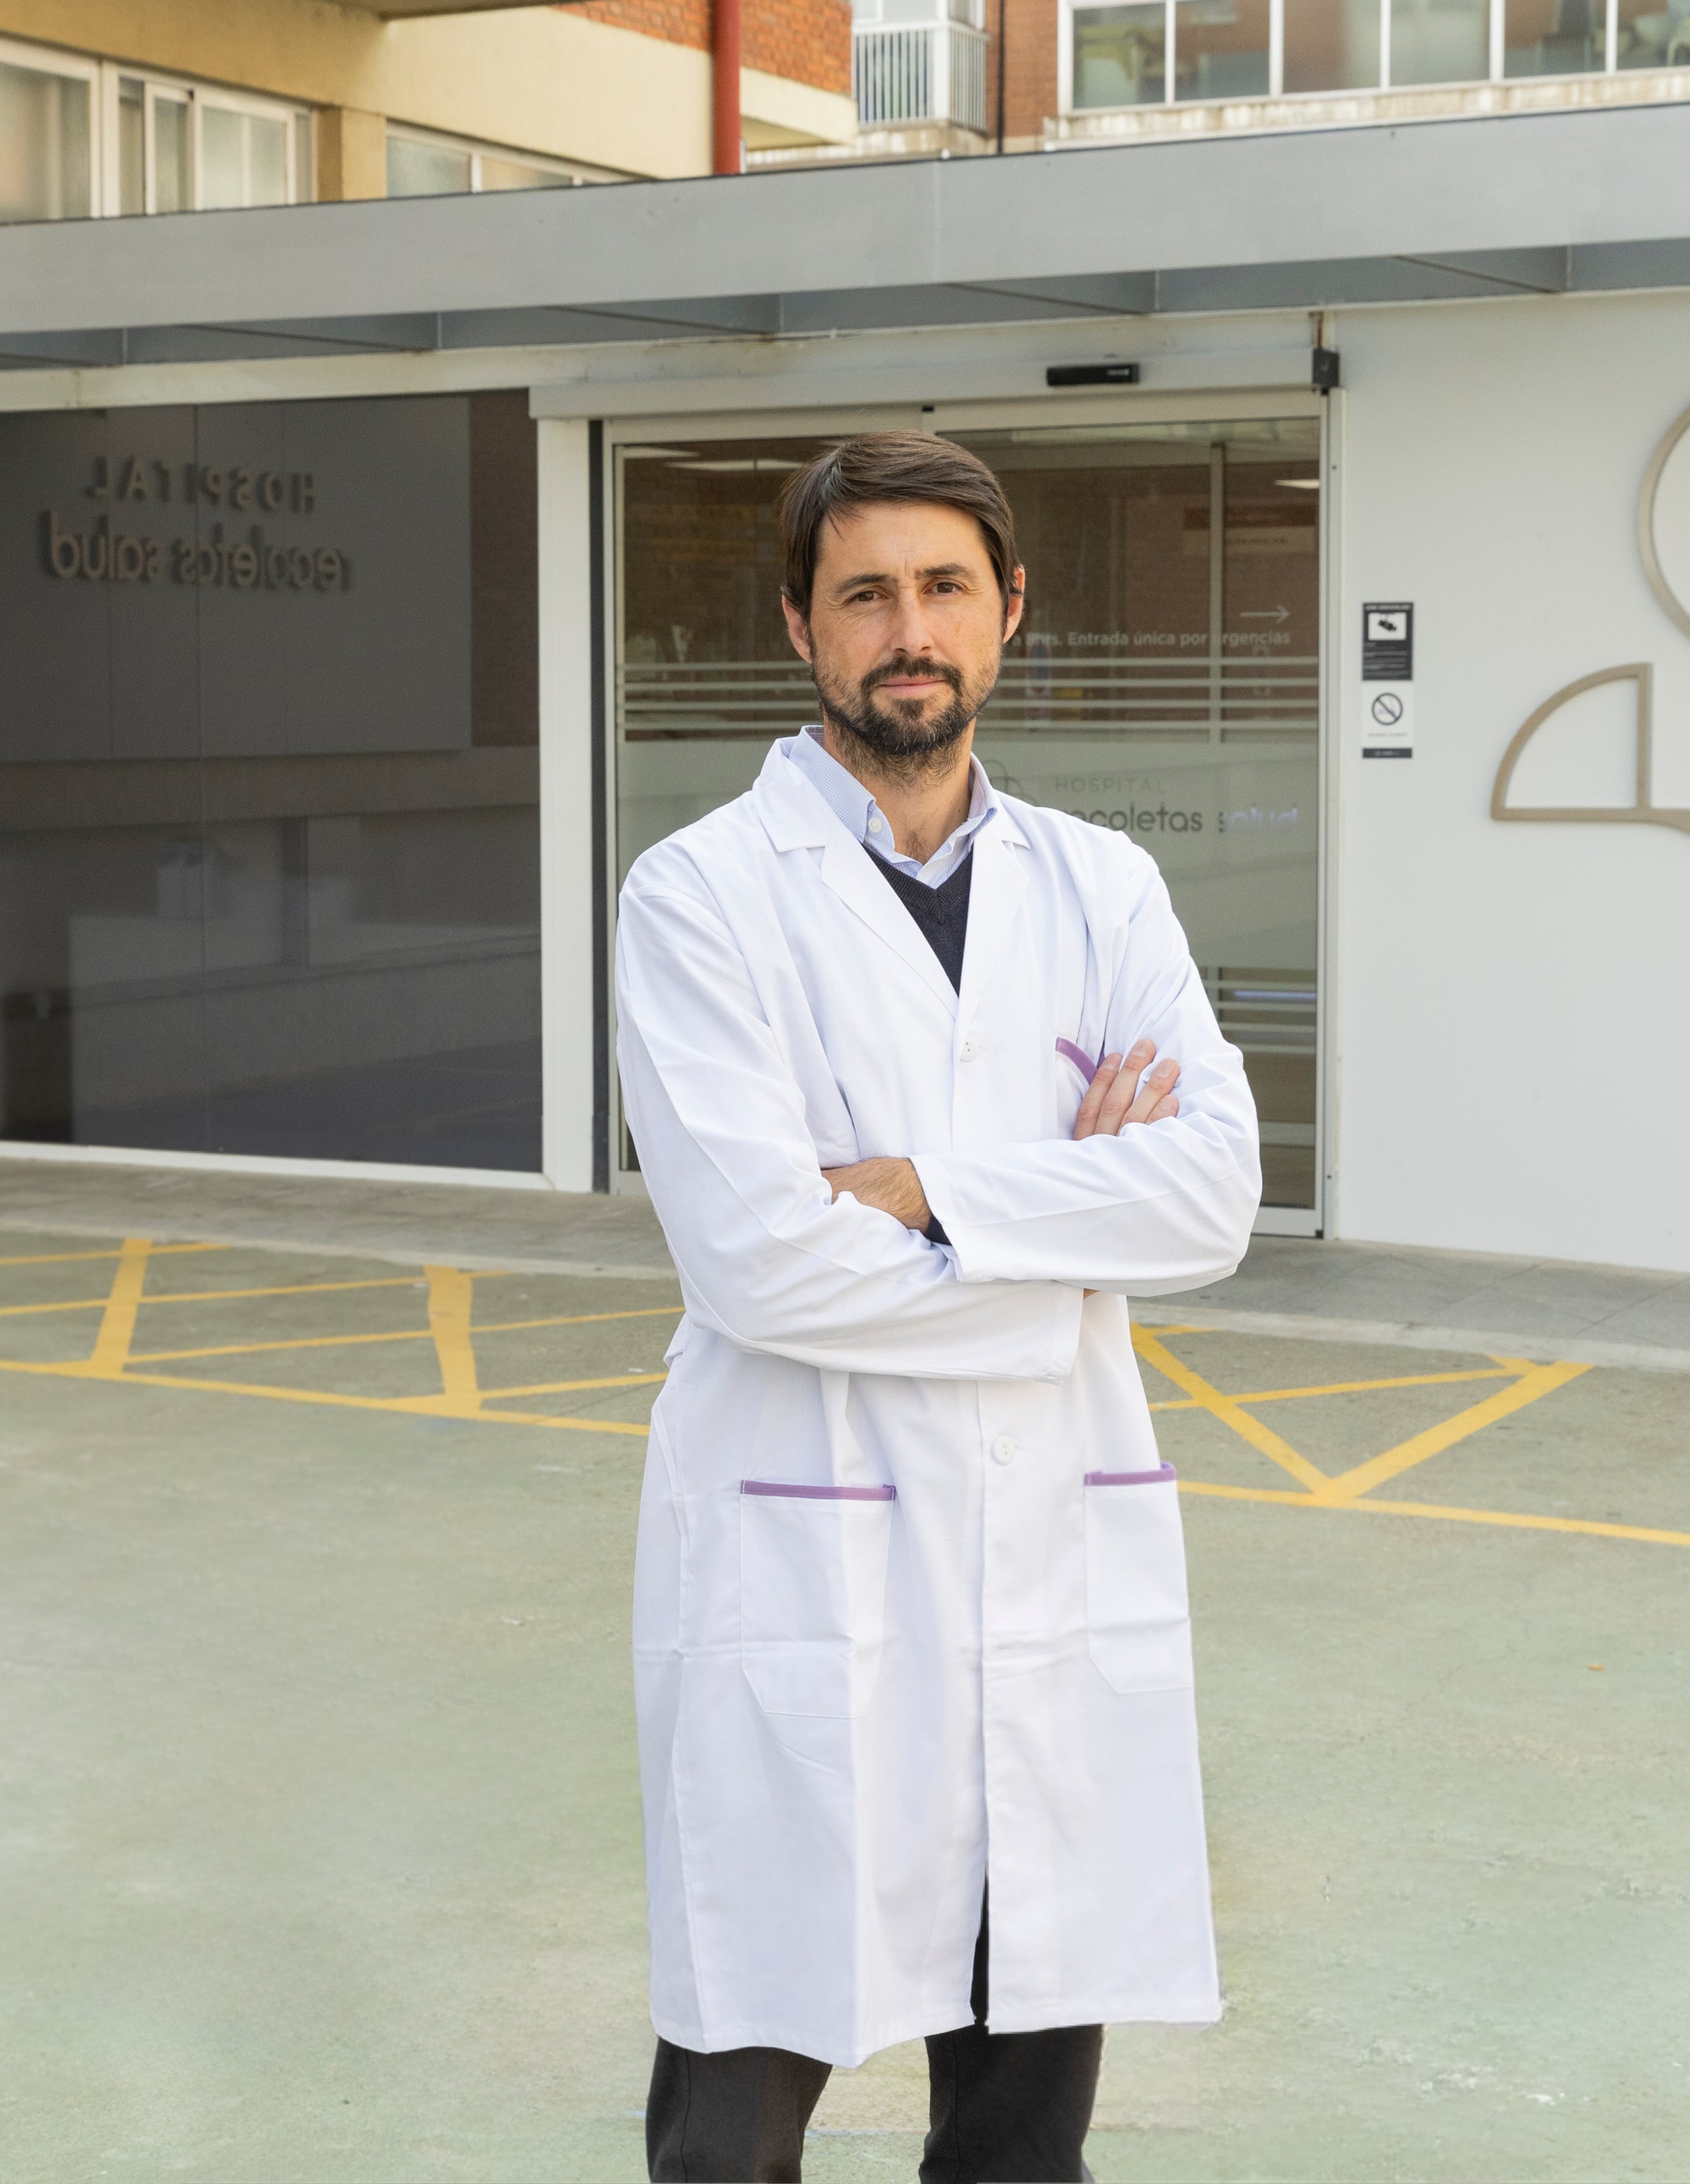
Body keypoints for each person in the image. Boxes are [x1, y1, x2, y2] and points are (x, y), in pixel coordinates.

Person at [615, 432, 1263, 2183]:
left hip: (1048, 1557)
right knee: (732, 2131)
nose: (911, 628)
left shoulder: (1101, 884)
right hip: (801, 1564)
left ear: (1011, 610)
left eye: (946, 588)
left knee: (1022, 2135)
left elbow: (1211, 1195)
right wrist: (1063, 1244)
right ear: (800, 627)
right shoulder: (699, 898)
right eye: (867, 593)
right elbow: (755, 1256)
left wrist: (922, 1190)